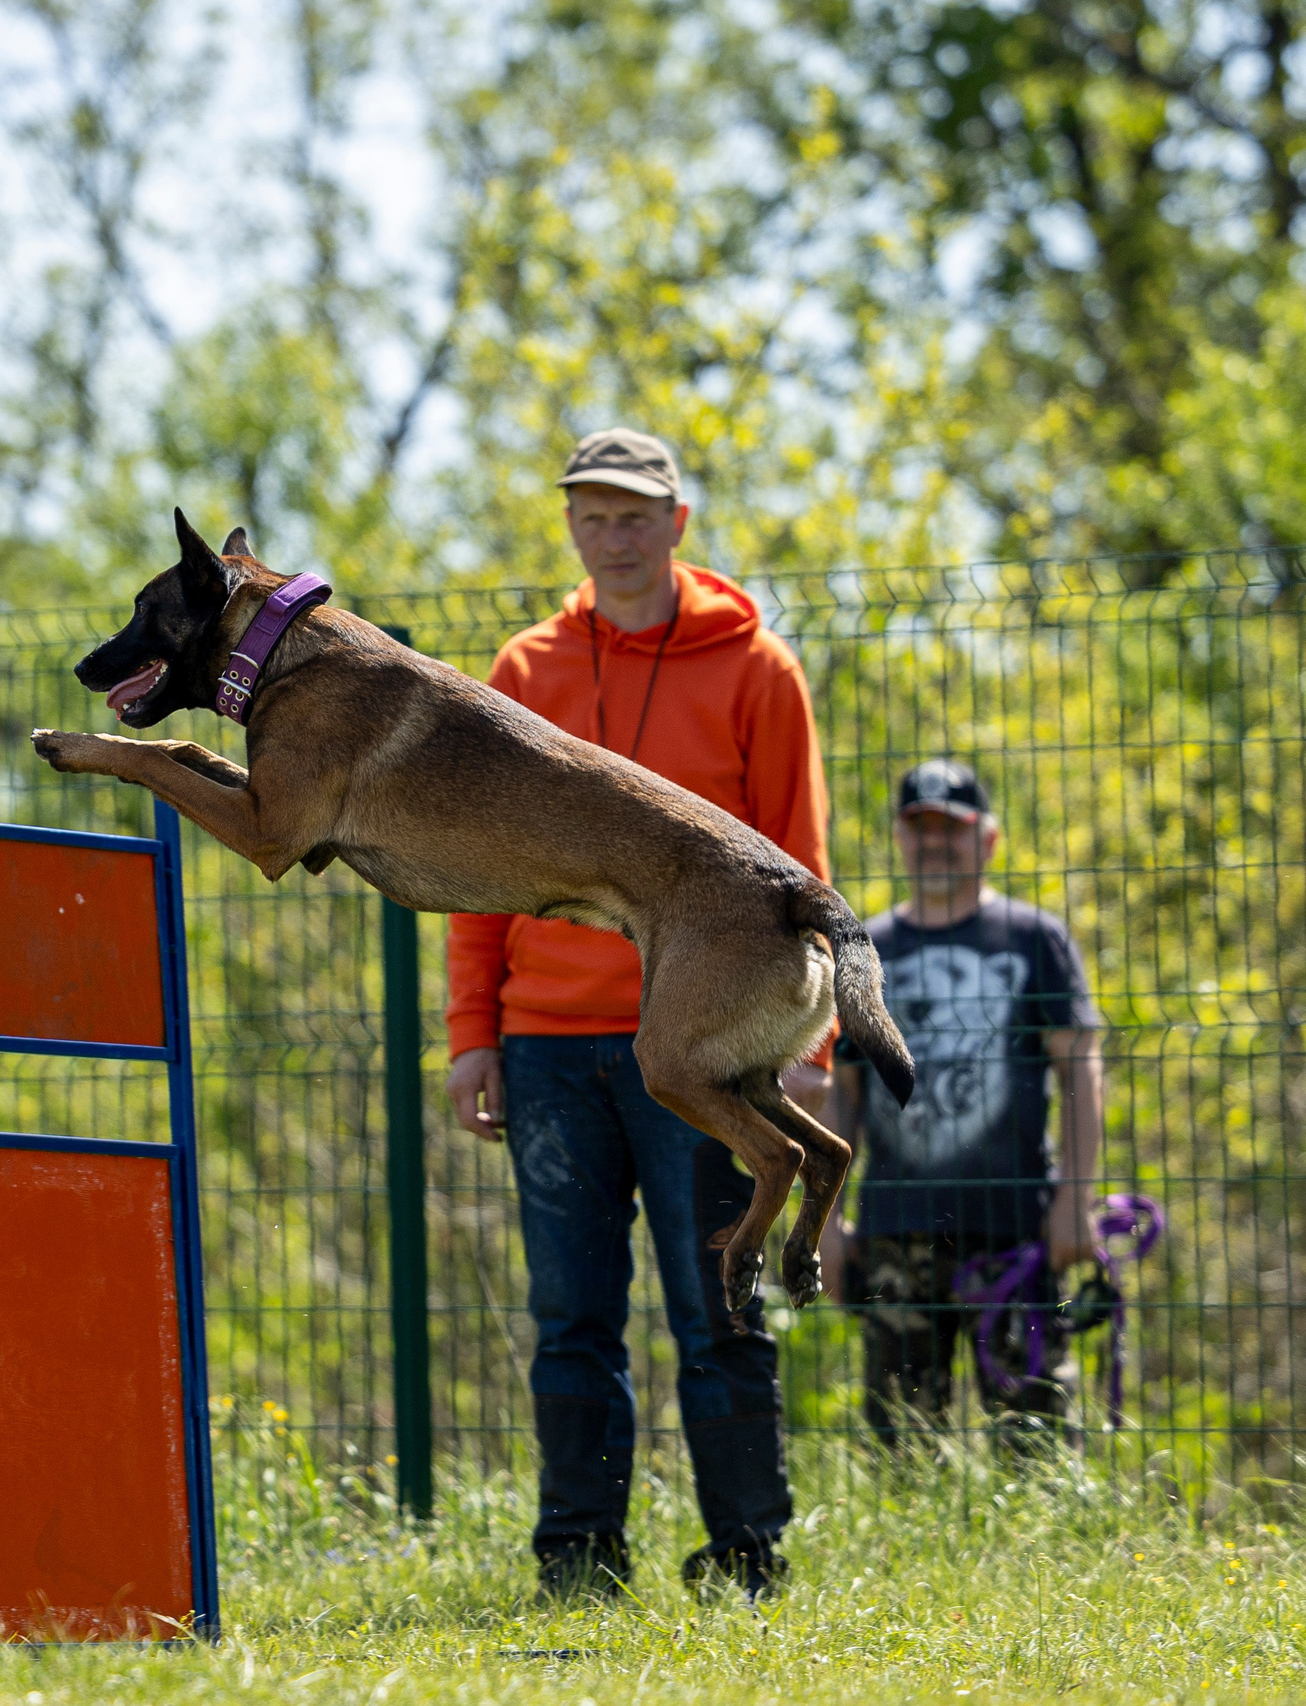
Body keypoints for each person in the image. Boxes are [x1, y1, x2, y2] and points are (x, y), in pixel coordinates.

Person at [443, 428, 833, 1601]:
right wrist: (473, 1031)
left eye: (632, 514)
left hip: (710, 1048)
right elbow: (476, 863)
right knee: (570, 1313)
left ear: (676, 521)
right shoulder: (524, 669)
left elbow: (799, 865)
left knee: (717, 1298)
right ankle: (577, 1555)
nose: (609, 535)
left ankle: (746, 1553)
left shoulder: (757, 668)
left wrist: (804, 1040)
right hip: (549, 1040)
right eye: (590, 514)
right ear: (572, 525)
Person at [820, 759, 1105, 1451]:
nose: (935, 841)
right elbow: (844, 1095)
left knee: (1037, 1443)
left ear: (989, 840)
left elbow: (1081, 1068)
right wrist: (824, 1224)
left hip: (1014, 1230)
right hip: (895, 1232)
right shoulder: (864, 949)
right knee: (900, 1449)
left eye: (953, 827)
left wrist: (1075, 1198)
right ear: (899, 836)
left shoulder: (1034, 940)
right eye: (920, 827)